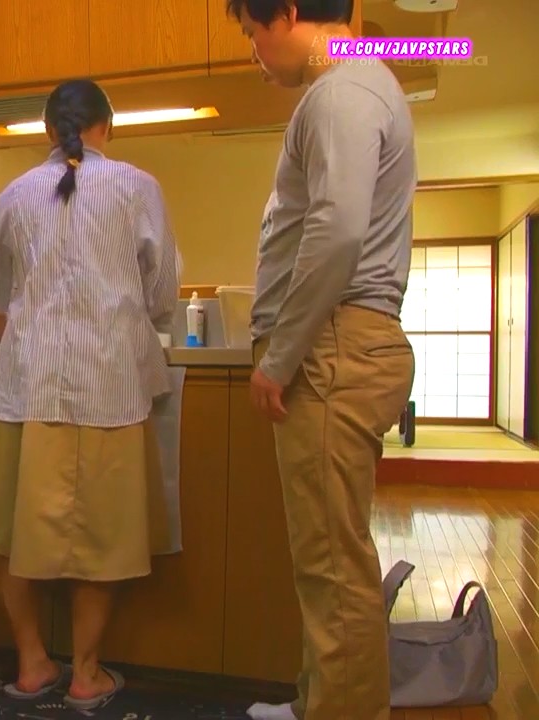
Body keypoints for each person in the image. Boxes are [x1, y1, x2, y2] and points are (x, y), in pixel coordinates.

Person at [0, 79, 180, 711]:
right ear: (107, 126)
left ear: (48, 130)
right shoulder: (138, 188)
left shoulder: (15, 194)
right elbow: (162, 295)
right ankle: (86, 673)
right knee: (104, 541)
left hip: (27, 392)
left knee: (13, 534)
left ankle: (32, 663)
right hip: (111, 389)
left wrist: (29, 340)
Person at [223, 2, 418, 719]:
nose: (254, 54)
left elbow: (336, 231)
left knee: (334, 568)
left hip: (333, 346)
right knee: (326, 560)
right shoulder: (354, 87)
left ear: (287, 13)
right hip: (338, 343)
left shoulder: (342, 88)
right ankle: (319, 704)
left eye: (252, 33)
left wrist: (280, 356)